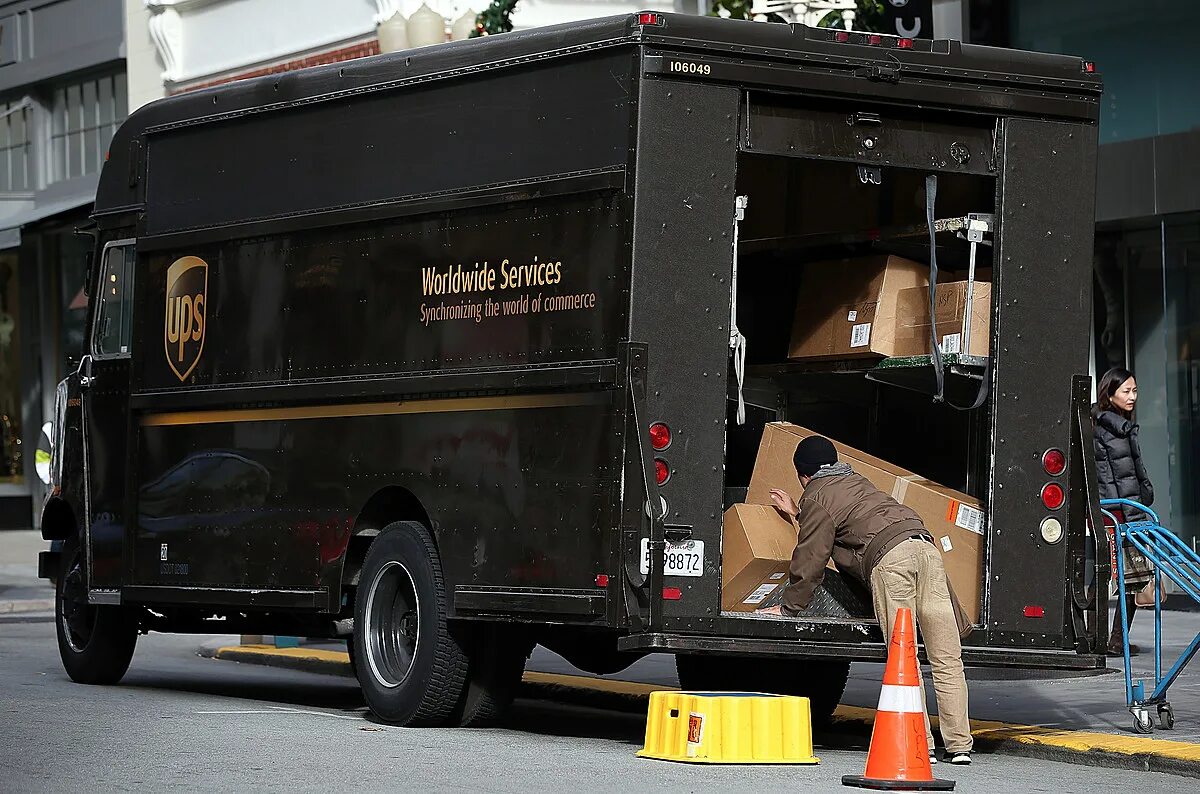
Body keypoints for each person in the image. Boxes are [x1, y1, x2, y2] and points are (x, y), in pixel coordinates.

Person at [756, 435, 973, 765]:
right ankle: (959, 746)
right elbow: (851, 519)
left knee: (905, 657)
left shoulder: (816, 494)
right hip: (926, 550)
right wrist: (799, 512)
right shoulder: (856, 480)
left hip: (893, 561)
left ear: (803, 474)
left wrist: (789, 605)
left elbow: (812, 555)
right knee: (946, 658)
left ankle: (921, 742)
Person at [1093, 366, 1157, 657]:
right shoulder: (1109, 428)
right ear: (1110, 393)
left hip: (1125, 509)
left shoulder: (1118, 424)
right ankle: (1114, 640)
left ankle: (1114, 639)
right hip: (1120, 513)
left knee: (1127, 576)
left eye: (1135, 390)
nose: (1133, 396)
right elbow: (1109, 478)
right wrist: (1127, 511)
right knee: (1128, 575)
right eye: (1126, 391)